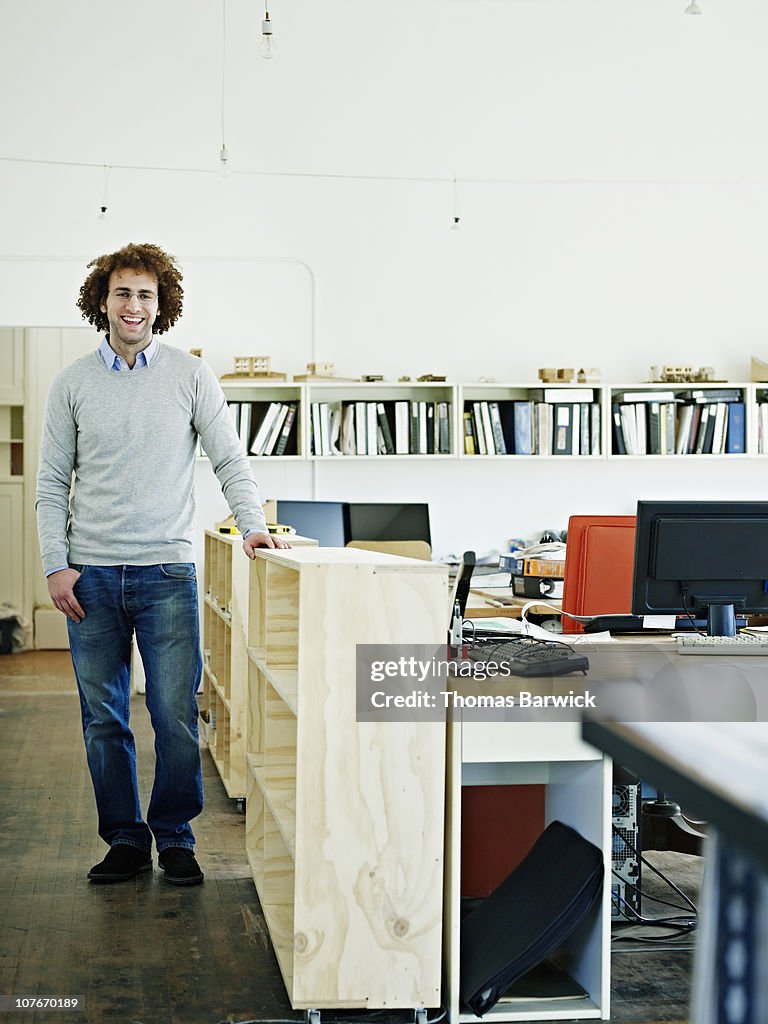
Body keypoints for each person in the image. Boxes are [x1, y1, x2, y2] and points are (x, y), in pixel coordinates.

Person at [35, 241, 289, 887]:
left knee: (175, 715)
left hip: (167, 575)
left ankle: (175, 836)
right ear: (102, 300)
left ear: (162, 303)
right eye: (122, 292)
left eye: (145, 294)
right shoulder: (71, 385)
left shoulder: (190, 376)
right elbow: (50, 483)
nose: (133, 304)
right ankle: (124, 839)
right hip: (89, 576)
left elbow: (230, 459)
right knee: (103, 719)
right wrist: (54, 565)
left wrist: (254, 527)